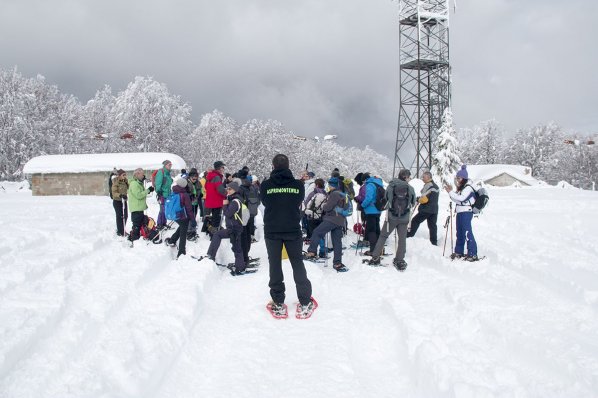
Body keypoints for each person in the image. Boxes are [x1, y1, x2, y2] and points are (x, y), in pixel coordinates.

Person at [261, 154, 316, 319]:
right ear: (288, 166)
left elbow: (265, 202)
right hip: (292, 230)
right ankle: (305, 301)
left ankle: (278, 302)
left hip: (272, 230)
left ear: (273, 166)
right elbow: (298, 201)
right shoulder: (298, 185)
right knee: (297, 263)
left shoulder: (265, 185)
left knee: (275, 265)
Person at [368, 169, 416, 271]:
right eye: (409, 177)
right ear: (405, 177)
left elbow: (387, 199)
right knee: (402, 239)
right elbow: (413, 202)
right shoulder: (410, 188)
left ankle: (375, 257)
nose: (409, 179)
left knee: (383, 236)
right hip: (404, 218)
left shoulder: (391, 186)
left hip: (391, 217)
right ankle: (399, 260)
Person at [304, 177, 349, 272]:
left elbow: (328, 207)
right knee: (337, 242)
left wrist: (324, 205)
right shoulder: (343, 194)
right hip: (340, 220)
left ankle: (312, 252)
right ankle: (337, 262)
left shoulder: (334, 194)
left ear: (331, 185)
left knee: (317, 232)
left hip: (332, 219)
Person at [206, 181, 247, 274]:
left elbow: (228, 214)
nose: (228, 190)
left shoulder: (235, 201)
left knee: (236, 248)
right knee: (233, 245)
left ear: (235, 190)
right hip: (235, 227)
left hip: (234, 228)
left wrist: (224, 204)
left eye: (230, 189)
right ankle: (240, 265)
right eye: (227, 188)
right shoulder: (234, 198)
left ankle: (240, 268)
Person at [444, 165, 479, 261]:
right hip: (460, 212)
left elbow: (462, 198)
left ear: (463, 178)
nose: (457, 180)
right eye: (457, 178)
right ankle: (459, 252)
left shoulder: (468, 188)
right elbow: (458, 200)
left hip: (466, 213)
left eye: (459, 178)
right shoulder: (462, 188)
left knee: (467, 233)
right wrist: (450, 193)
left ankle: (472, 253)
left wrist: (451, 192)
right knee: (459, 233)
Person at [407, 171, 439, 245]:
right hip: (434, 209)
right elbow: (430, 196)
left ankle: (409, 236)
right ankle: (434, 242)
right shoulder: (436, 186)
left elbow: (424, 199)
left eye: (424, 177)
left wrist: (418, 199)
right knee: (432, 226)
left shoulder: (428, 185)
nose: (422, 178)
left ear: (428, 177)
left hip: (426, 209)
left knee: (415, 221)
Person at [165, 176, 194, 259]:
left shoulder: (174, 191)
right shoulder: (184, 194)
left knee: (182, 227)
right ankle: (181, 252)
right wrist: (192, 219)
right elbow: (189, 209)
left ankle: (172, 240)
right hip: (183, 216)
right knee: (183, 233)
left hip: (175, 216)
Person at [238, 170, 260, 265]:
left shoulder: (240, 188)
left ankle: (244, 258)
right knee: (247, 237)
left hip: (243, 216)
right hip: (251, 215)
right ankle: (245, 256)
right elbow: (257, 200)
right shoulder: (252, 187)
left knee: (243, 237)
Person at [360, 173, 384, 255]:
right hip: (378, 210)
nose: (363, 183)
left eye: (363, 181)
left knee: (371, 230)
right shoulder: (379, 184)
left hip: (371, 210)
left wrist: (362, 205)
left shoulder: (370, 185)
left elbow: (369, 197)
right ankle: (380, 248)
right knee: (377, 229)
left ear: (365, 180)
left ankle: (373, 250)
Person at [128, 168, 154, 242]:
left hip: (139, 207)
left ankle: (134, 238)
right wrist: (148, 190)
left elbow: (141, 193)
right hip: (136, 208)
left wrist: (147, 190)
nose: (143, 175)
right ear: (137, 174)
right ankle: (134, 240)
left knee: (139, 225)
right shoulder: (134, 184)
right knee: (136, 225)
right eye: (142, 174)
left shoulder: (138, 183)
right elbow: (139, 195)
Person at [204, 161, 227, 236]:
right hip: (217, 200)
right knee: (217, 217)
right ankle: (214, 234)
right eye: (222, 167)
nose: (223, 169)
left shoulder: (209, 176)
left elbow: (206, 187)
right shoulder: (217, 177)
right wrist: (226, 193)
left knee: (214, 216)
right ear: (219, 168)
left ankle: (210, 230)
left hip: (210, 200)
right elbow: (220, 189)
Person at [154, 160, 173, 230]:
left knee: (166, 209)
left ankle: (164, 223)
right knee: (162, 209)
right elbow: (158, 182)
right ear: (165, 165)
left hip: (167, 194)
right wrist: (158, 192)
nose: (170, 166)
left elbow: (168, 183)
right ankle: (159, 224)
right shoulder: (161, 172)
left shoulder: (168, 173)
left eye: (171, 165)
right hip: (162, 194)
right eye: (169, 165)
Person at [111, 169, 129, 237]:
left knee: (126, 215)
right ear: (119, 175)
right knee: (120, 216)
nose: (125, 176)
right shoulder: (116, 182)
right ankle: (120, 231)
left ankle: (123, 229)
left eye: (125, 174)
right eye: (123, 175)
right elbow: (114, 192)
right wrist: (120, 195)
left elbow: (129, 187)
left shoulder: (125, 181)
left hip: (124, 201)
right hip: (117, 201)